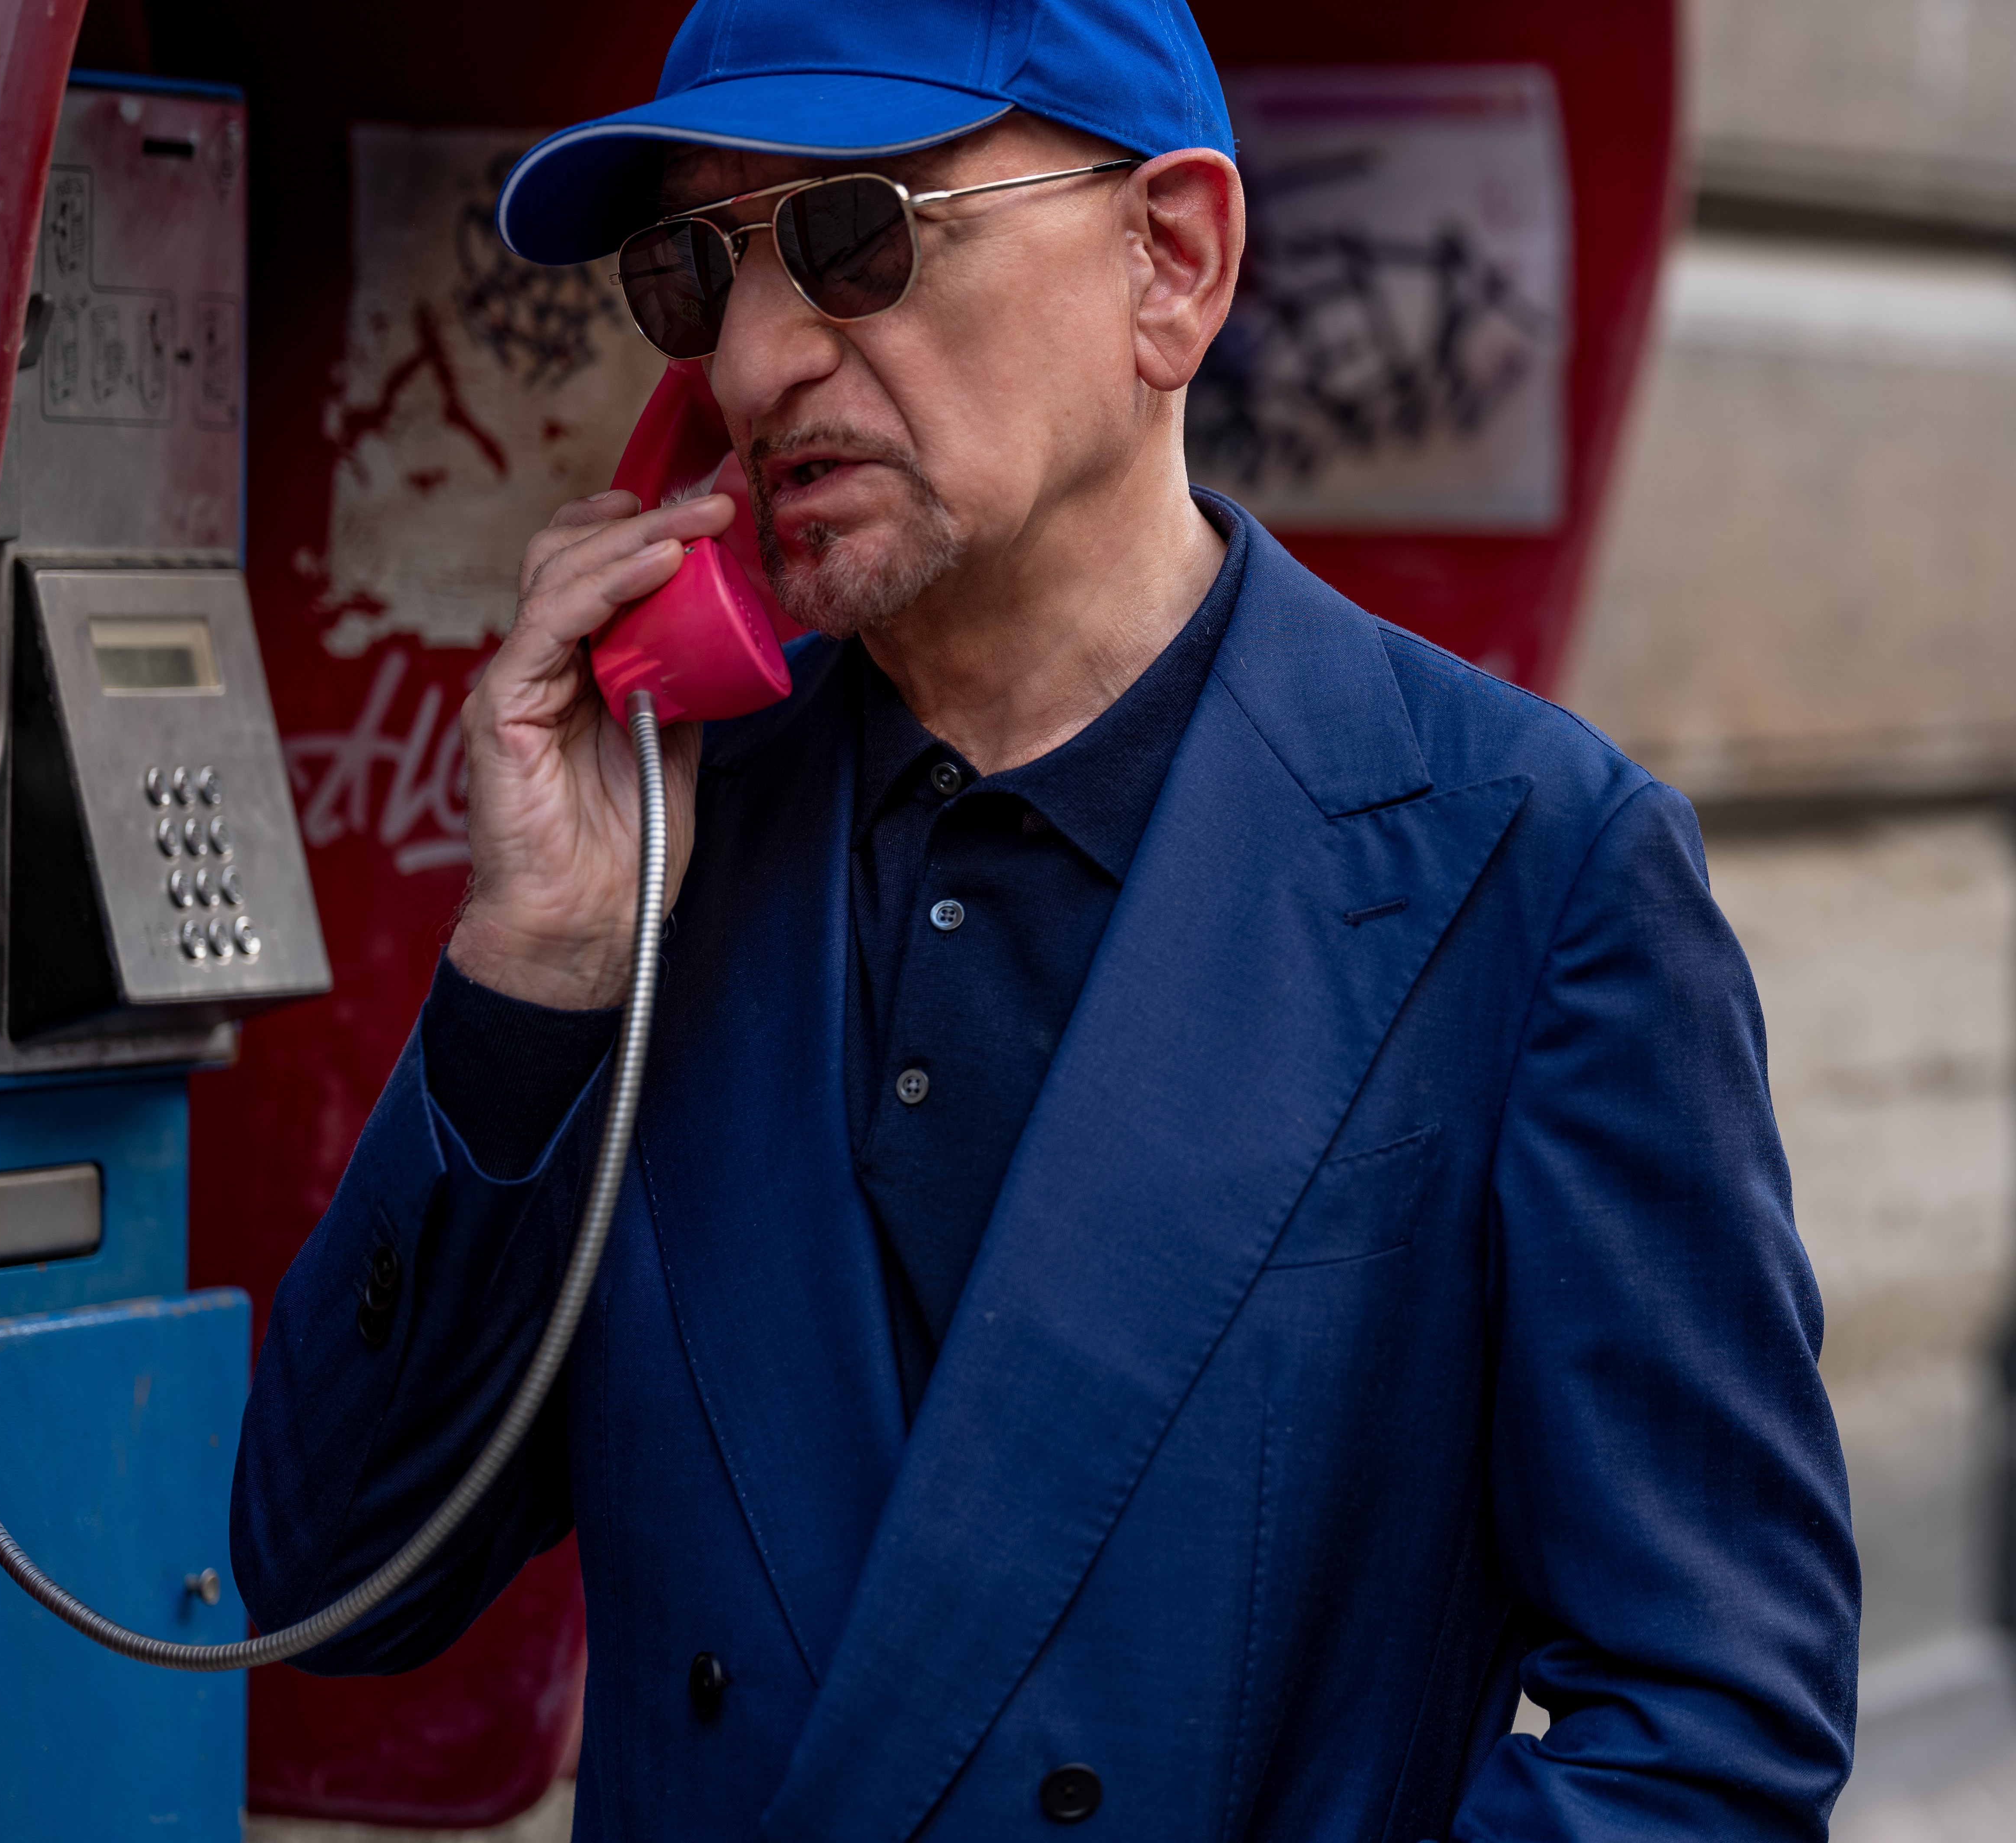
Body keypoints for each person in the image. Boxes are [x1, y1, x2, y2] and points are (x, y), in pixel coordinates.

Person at [226, 1, 1859, 1836]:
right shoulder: (668, 852)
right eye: (695, 275)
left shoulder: (1526, 866)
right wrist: (532, 978)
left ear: (1172, 262)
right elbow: (325, 1582)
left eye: (857, 235)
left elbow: (1709, 1733)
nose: (762, 360)